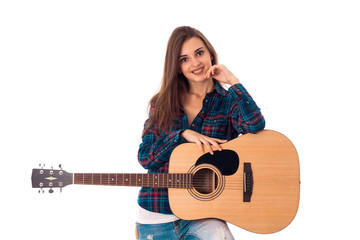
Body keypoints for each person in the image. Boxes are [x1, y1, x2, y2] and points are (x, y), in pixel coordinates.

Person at [135, 26, 265, 240]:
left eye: (199, 53)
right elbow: (146, 158)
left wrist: (233, 81)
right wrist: (181, 135)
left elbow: (255, 126)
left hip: (206, 213)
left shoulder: (228, 101)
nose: (195, 63)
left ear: (210, 54)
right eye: (184, 59)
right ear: (177, 67)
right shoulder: (162, 103)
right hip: (156, 214)